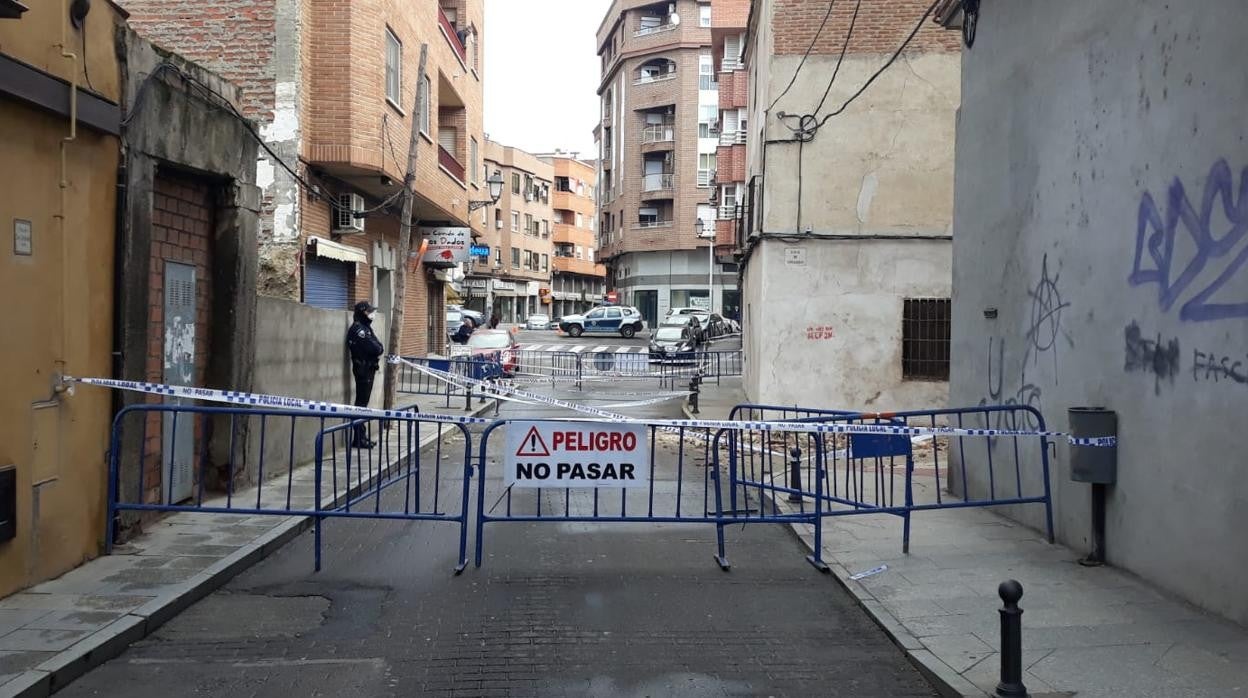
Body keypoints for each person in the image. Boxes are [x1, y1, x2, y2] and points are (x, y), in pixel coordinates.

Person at [346, 301, 384, 448]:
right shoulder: (359, 330)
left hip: (367, 369)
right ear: (362, 313)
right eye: (369, 312)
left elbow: (379, 346)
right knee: (361, 405)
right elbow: (376, 348)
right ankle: (359, 438)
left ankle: (361, 436)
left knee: (363, 404)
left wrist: (378, 348)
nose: (371, 314)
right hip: (363, 369)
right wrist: (377, 348)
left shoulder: (365, 327)